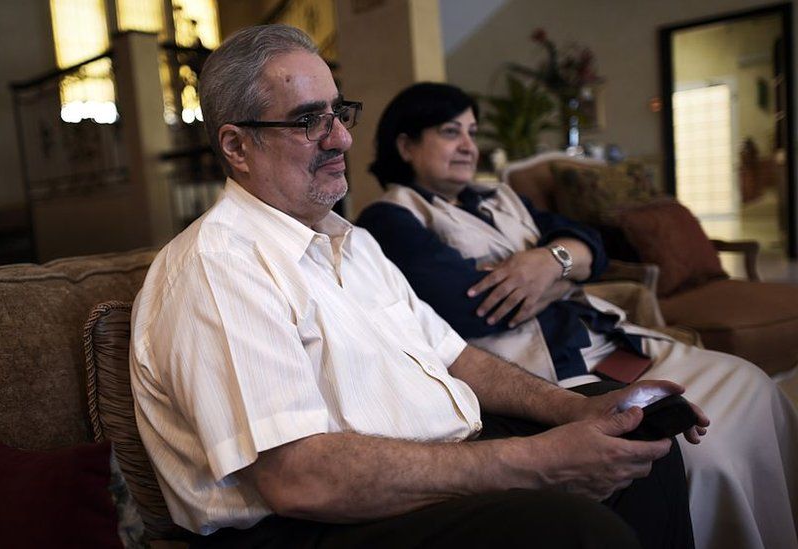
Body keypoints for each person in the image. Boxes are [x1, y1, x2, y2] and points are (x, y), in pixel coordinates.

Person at [130, 25, 705, 548]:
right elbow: (298, 478)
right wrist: (539, 460)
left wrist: (577, 410)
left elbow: (455, 357)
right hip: (306, 526)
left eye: (339, 113)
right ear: (236, 147)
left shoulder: (351, 243)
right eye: (308, 121)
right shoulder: (217, 269)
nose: (342, 140)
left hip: (430, 460)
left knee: (643, 447)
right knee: (576, 531)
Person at [356, 82, 798, 549]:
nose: (469, 146)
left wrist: (547, 263)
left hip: (615, 341)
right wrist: (567, 269)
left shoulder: (500, 199)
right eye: (451, 132)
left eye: (472, 131)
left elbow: (593, 246)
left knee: (753, 384)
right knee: (707, 448)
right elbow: (475, 306)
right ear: (405, 145)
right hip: (552, 371)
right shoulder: (390, 220)